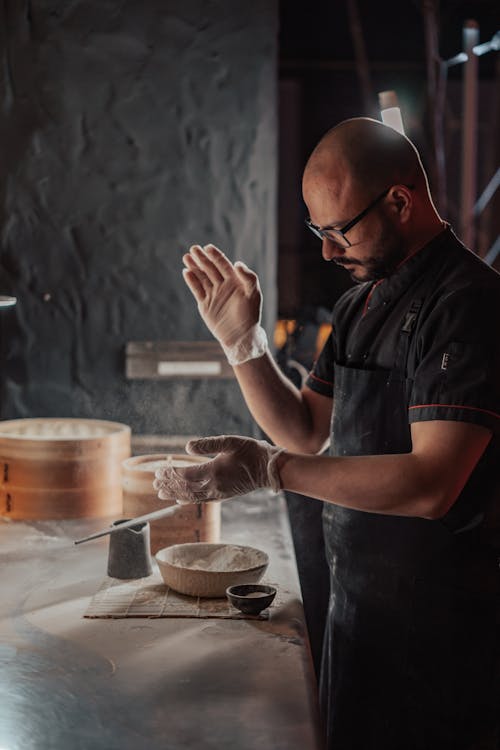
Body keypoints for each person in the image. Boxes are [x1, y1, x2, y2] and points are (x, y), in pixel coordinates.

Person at [154, 118, 500, 750]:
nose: (327, 252)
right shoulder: (358, 304)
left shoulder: (468, 304)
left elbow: (432, 484)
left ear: (400, 201)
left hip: (445, 640)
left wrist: (269, 470)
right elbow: (307, 430)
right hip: (359, 616)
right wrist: (242, 344)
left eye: (339, 230)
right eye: (319, 232)